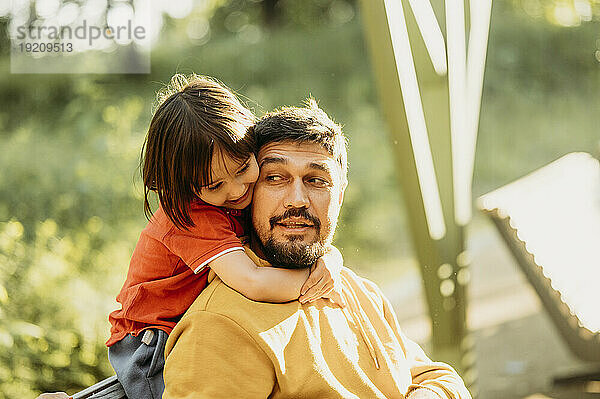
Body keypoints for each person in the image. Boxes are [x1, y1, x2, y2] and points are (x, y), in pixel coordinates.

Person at [35, 75, 346, 399]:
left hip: (180, 321)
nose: (237, 190)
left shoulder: (232, 192)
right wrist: (313, 280)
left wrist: (330, 256)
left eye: (242, 168)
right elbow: (252, 280)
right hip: (149, 338)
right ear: (185, 185)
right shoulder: (193, 217)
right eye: (215, 185)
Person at [162, 100, 472, 398]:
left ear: (339, 196)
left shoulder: (357, 290)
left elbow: (437, 377)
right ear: (248, 192)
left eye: (316, 180)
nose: (297, 199)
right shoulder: (221, 326)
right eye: (274, 178)